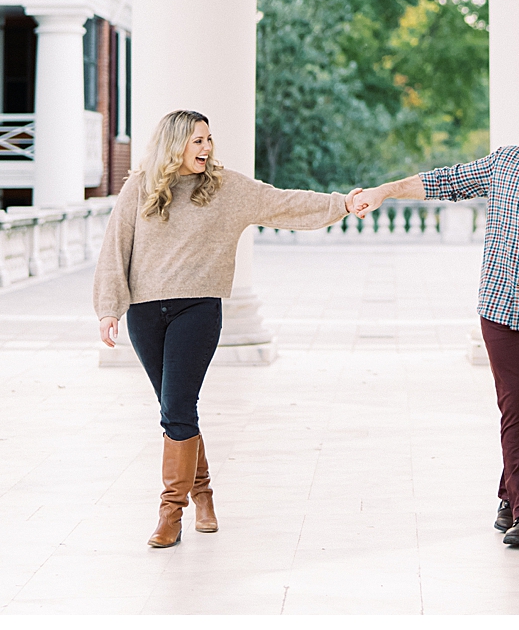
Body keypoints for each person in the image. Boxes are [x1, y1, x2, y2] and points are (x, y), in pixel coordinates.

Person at [350, 84, 519, 547]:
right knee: (516, 408)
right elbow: (444, 181)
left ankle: (510, 495)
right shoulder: (506, 163)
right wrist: (385, 192)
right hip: (499, 311)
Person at [94, 109, 359, 548]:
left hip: (196, 310)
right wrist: (109, 308)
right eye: (197, 141)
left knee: (177, 408)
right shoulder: (139, 188)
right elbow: (114, 248)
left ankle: (169, 513)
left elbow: (284, 203)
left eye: (209, 140)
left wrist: (342, 203)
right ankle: (204, 495)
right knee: (176, 410)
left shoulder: (226, 187)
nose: (207, 148)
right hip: (144, 313)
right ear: (174, 144)